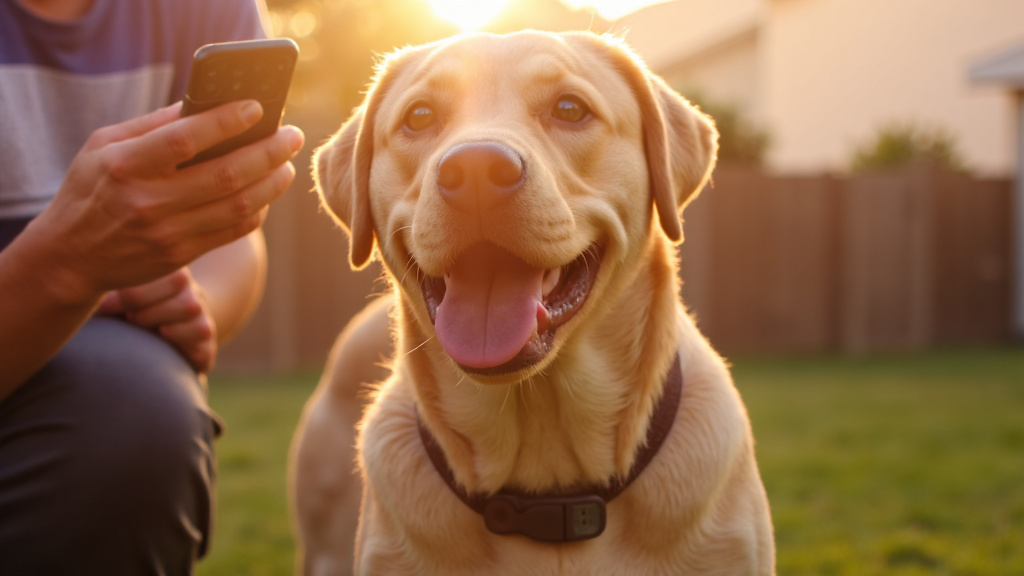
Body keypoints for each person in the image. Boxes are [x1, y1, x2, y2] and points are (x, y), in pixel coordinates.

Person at [0, 0, 304, 573]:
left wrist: (199, 304)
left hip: (104, 367)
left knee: (131, 415)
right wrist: (65, 264)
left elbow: (234, 237)